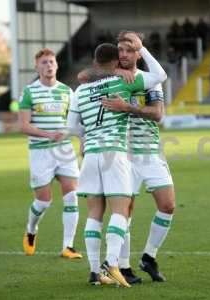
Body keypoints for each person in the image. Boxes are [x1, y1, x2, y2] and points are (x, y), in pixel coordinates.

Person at [68, 39, 167, 286]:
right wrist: (141, 48)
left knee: (94, 213)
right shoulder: (121, 81)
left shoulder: (79, 91)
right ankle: (112, 264)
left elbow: (71, 127)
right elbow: (160, 75)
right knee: (121, 210)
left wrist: (86, 137)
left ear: (94, 62)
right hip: (115, 154)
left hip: (89, 155)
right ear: (115, 63)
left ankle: (94, 273)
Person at [99, 30, 176, 283]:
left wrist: (128, 107)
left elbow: (157, 114)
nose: (123, 54)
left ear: (138, 52)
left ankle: (149, 258)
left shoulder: (150, 79)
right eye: (120, 49)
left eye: (129, 49)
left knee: (167, 206)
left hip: (152, 152)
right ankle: (123, 266)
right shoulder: (109, 79)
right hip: (124, 154)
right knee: (126, 211)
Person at [19, 48, 82, 259]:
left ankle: (68, 246)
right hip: (40, 153)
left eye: (51, 62)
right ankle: (31, 229)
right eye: (44, 62)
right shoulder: (29, 92)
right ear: (37, 67)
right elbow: (24, 126)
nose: (49, 66)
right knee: (44, 201)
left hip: (64, 150)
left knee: (72, 195)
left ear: (57, 65)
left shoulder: (67, 91)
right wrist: (49, 134)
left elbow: (75, 122)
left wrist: (81, 141)